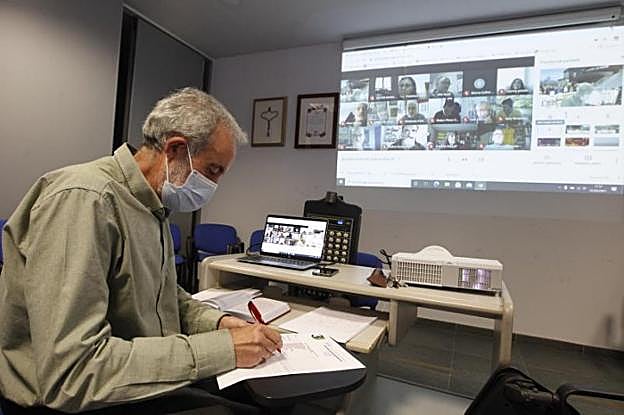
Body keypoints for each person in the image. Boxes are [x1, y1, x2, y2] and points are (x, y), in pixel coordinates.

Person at [0, 88, 282, 413]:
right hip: (68, 402)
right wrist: (221, 349)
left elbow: (165, 299)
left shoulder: (151, 205)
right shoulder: (86, 199)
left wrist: (219, 324)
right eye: (213, 170)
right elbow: (72, 374)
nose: (214, 186)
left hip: (126, 375)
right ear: (176, 149)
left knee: (259, 396)